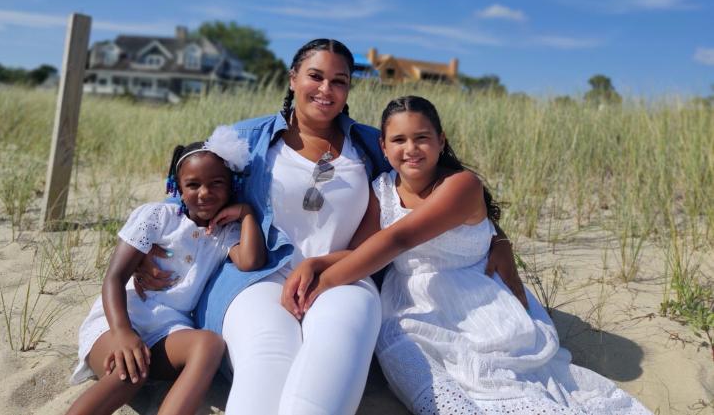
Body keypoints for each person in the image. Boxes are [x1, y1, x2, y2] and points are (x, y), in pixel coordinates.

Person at [135, 40, 524, 415]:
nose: (326, 89)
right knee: (271, 353)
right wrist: (144, 247)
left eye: (339, 81)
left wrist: (497, 237)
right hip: (255, 275)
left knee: (336, 346)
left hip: (347, 272)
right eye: (315, 77)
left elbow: (437, 187)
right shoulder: (246, 138)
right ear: (293, 79)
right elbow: (190, 189)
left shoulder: (373, 144)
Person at [297, 95, 651, 415]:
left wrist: (324, 284)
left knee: (495, 382)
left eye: (422, 137)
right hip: (410, 306)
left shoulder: (461, 185)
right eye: (399, 140)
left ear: (441, 140)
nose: (411, 148)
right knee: (426, 383)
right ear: (383, 147)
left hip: (477, 299)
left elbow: (398, 239)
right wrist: (317, 263)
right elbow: (364, 249)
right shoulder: (383, 189)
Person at [66, 126, 266, 415]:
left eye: (217, 183)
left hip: (169, 330)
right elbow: (115, 277)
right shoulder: (157, 217)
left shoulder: (225, 232)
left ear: (232, 186)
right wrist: (123, 332)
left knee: (209, 344)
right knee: (131, 372)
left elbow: (250, 261)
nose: (205, 193)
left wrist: (246, 213)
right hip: (120, 320)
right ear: (178, 187)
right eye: (193, 185)